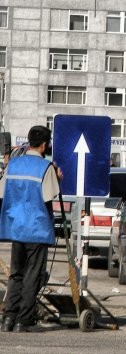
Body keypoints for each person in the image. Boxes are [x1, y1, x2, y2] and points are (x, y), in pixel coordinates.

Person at [0, 126, 61, 333]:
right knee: (32, 275)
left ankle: (8, 318)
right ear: (45, 145)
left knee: (16, 274)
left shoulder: (13, 165)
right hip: (37, 228)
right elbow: (50, 194)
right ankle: (23, 320)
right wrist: (58, 178)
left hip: (16, 227)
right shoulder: (45, 167)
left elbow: (2, 191)